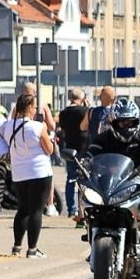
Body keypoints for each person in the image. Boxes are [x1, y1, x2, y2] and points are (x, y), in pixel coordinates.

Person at [87, 97, 140, 270]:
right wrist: (84, 165)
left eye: (131, 122)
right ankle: (94, 245)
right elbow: (91, 153)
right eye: (122, 122)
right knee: (91, 207)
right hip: (109, 184)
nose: (127, 126)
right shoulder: (104, 138)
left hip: (137, 182)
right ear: (114, 123)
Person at [0, 93, 56, 258]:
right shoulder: (38, 127)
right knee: (36, 210)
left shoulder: (8, 126)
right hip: (39, 172)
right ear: (30, 108)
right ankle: (32, 249)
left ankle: (17, 246)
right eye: (35, 107)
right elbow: (49, 149)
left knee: (22, 209)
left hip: (19, 172)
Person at [56, 88, 90, 223]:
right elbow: (87, 126)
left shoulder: (63, 113)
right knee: (84, 180)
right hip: (83, 149)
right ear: (82, 98)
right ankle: (84, 208)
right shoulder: (84, 111)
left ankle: (71, 208)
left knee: (70, 179)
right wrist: (87, 108)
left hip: (69, 148)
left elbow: (63, 128)